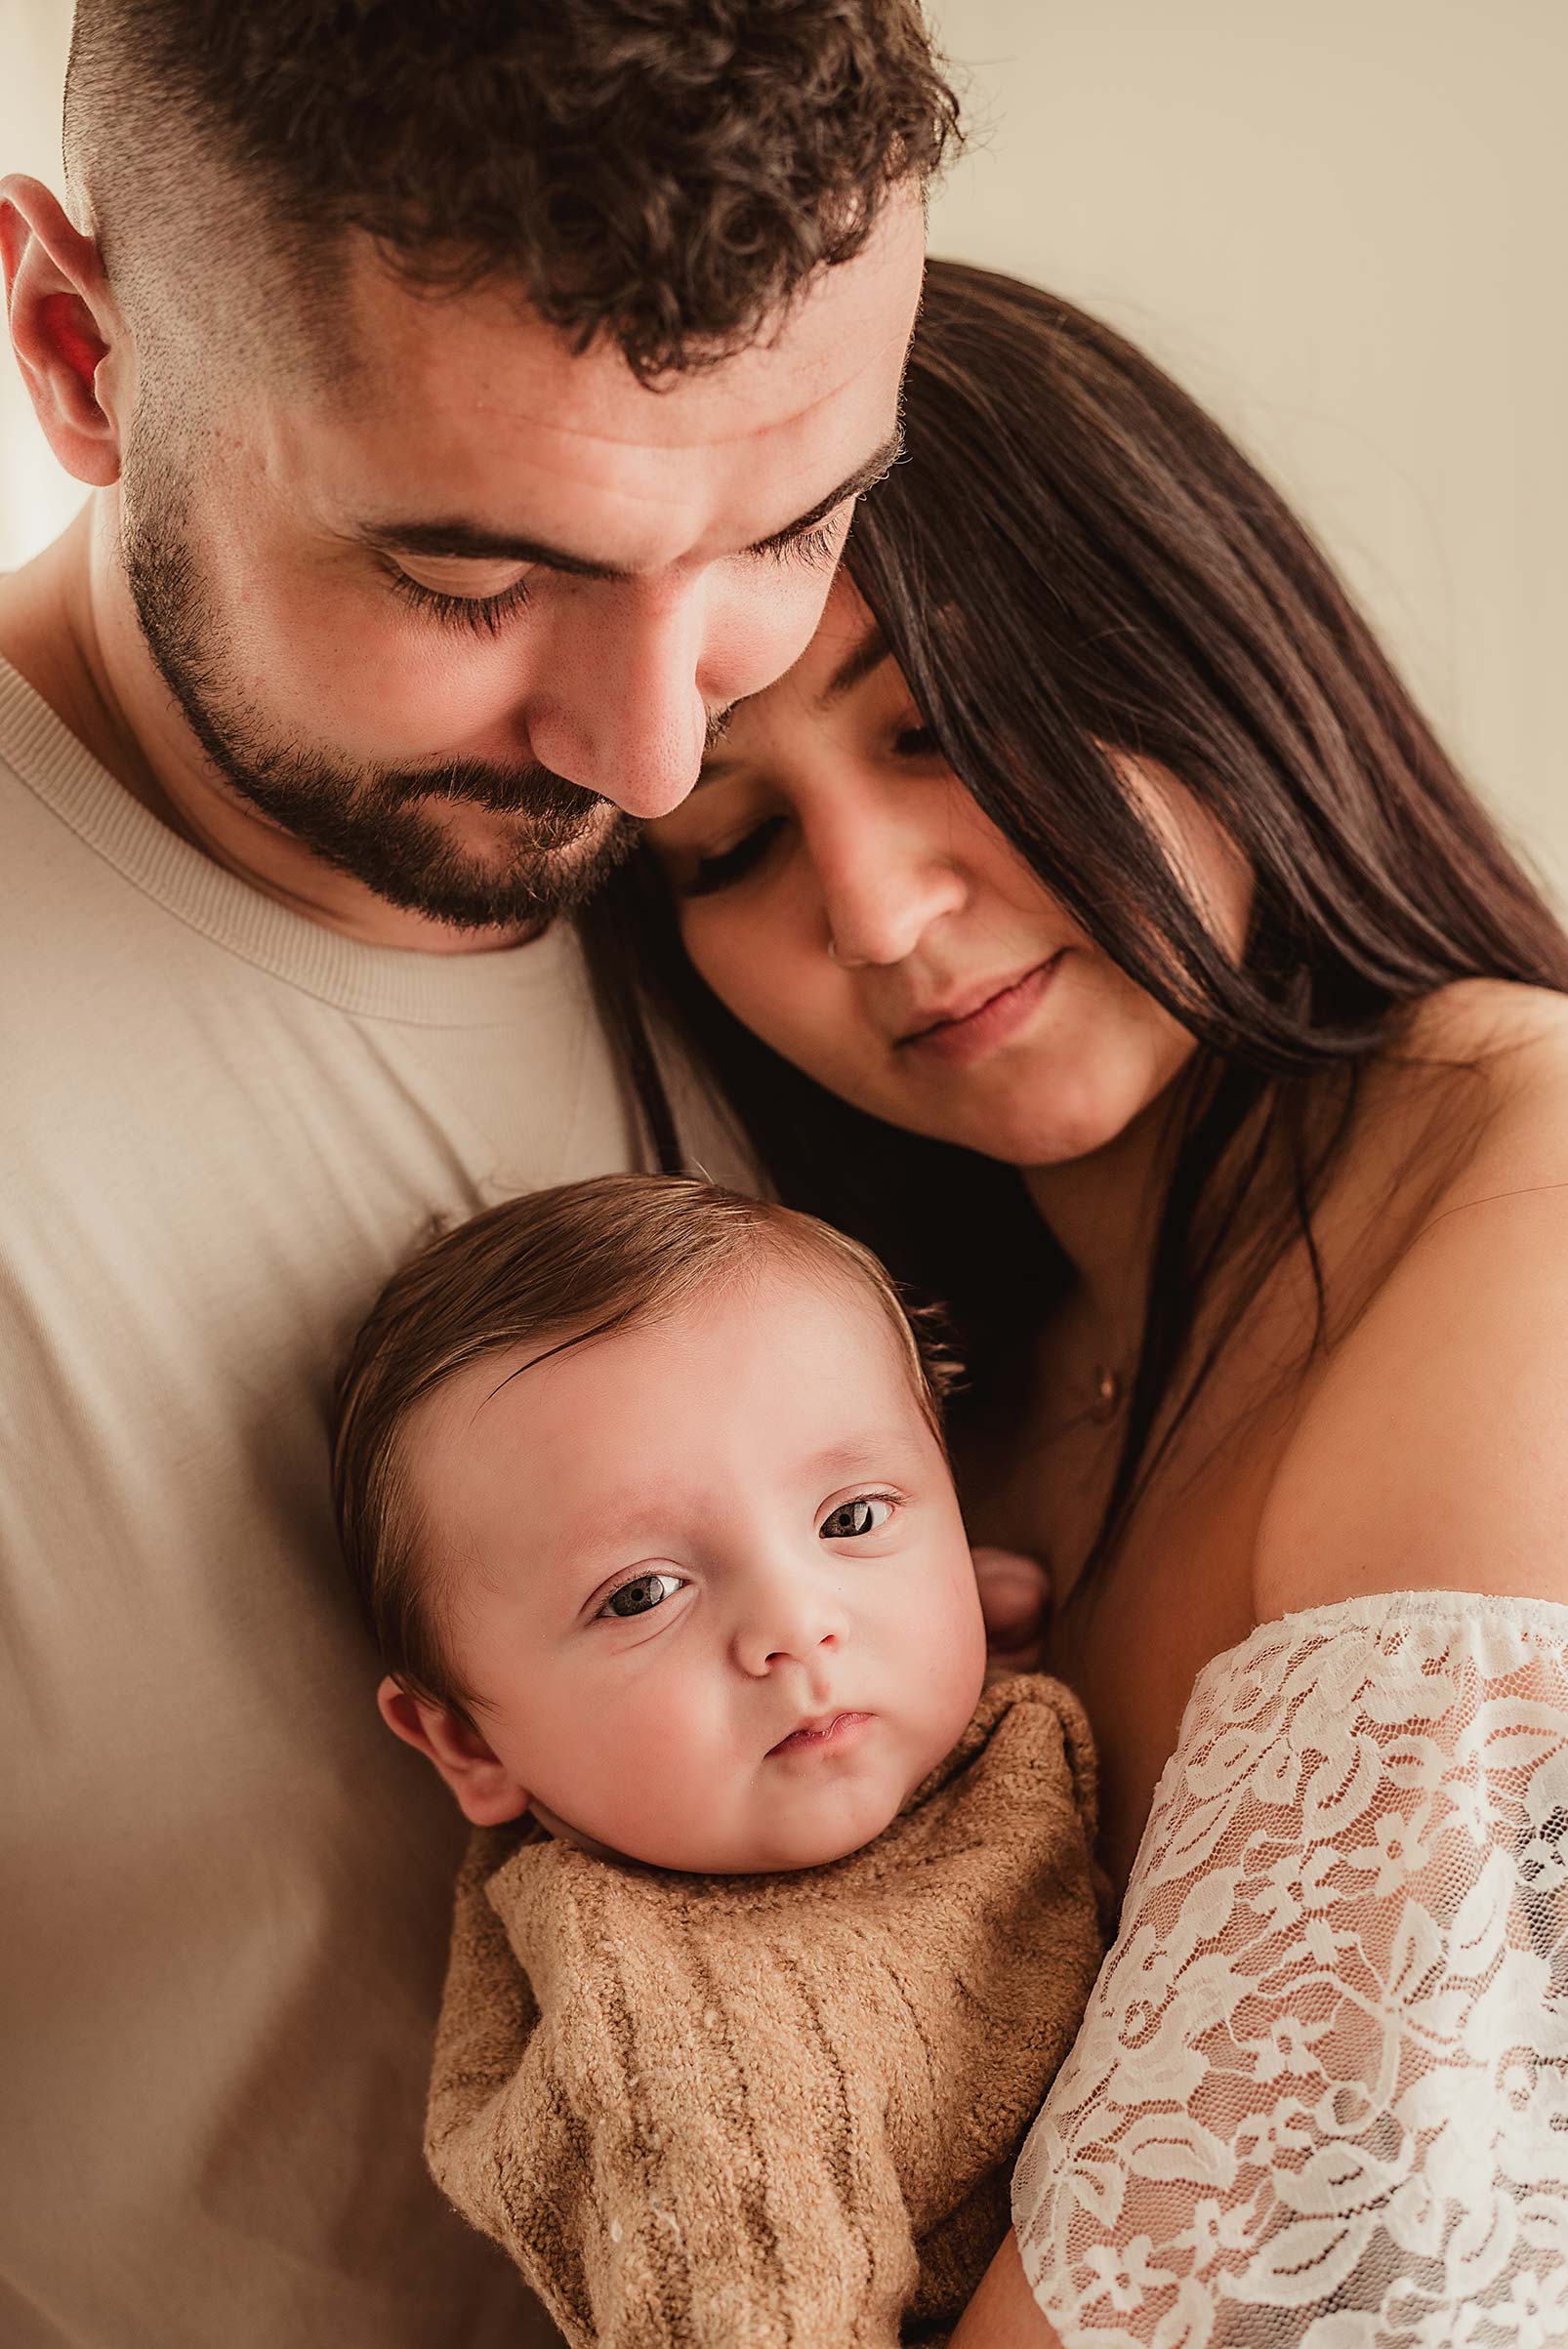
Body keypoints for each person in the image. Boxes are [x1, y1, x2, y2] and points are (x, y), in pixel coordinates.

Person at [0, 6, 951, 2343]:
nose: (651, 740)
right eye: (462, 578)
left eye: (790, 524)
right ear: (76, 347)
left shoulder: (877, 846)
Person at [587, 260, 1568, 2343]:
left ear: (1177, 628)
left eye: (935, 730)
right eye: (732, 846)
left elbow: (1260, 2247)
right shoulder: (940, 1436)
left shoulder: (1522, 1175)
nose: (872, 909)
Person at [329, 1172, 1106, 2346]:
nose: (797, 1625)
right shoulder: (680, 2041)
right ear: (470, 1741)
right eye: (642, 1594)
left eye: (851, 1519)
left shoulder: (945, 1703)